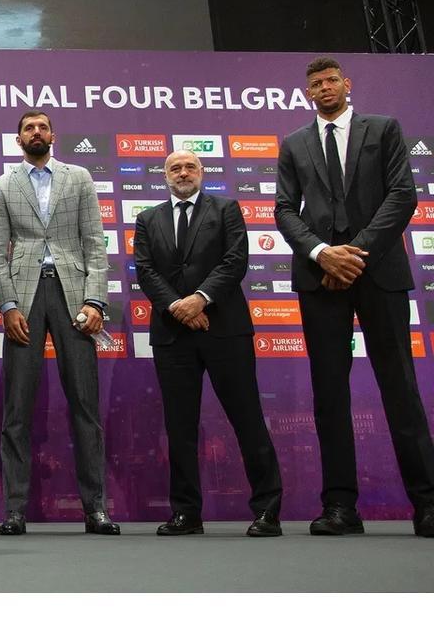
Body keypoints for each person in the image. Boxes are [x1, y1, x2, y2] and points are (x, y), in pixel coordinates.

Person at [275, 56, 434, 537]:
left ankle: (427, 504)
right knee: (329, 394)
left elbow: (402, 195)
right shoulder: (295, 143)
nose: (323, 88)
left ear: (346, 84)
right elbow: (284, 209)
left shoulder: (383, 128)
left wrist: (354, 255)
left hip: (377, 271)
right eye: (314, 84)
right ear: (307, 94)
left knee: (399, 388)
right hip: (320, 277)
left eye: (330, 81)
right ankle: (340, 507)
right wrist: (323, 254)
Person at [134, 150, 283, 537]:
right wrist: (177, 307)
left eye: (189, 167)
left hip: (224, 329)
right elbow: (146, 271)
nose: (182, 173)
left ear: (202, 173)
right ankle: (186, 513)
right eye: (174, 168)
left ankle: (267, 509)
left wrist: (199, 299)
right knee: (180, 427)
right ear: (164, 176)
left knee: (247, 418)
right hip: (173, 334)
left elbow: (235, 261)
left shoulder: (226, 208)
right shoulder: (148, 219)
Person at [0, 109, 120, 536]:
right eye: (29, 128)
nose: (36, 132)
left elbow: (94, 243)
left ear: (53, 135)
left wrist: (96, 299)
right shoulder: (2, 186)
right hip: (24, 299)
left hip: (74, 296)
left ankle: (95, 508)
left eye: (42, 126)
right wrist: (6, 306)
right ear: (19, 139)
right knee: (17, 410)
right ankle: (15, 510)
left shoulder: (78, 177)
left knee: (85, 405)